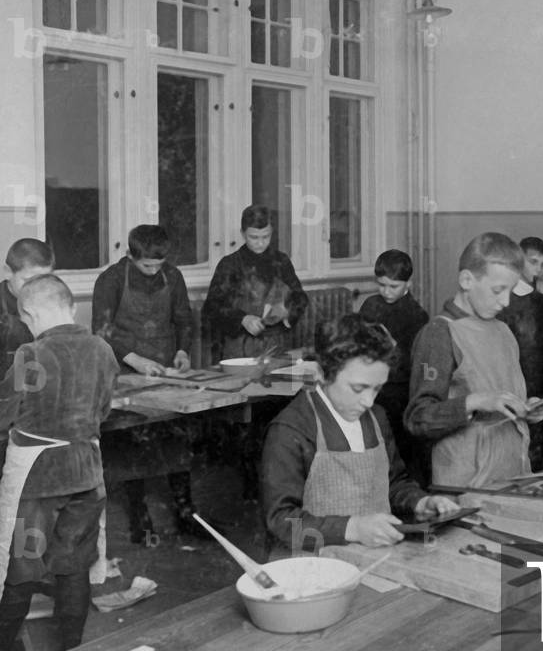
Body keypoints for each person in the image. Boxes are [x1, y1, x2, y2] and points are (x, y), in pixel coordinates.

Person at [0, 275, 119, 651]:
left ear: (32, 313)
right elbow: (103, 410)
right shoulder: (103, 349)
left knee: (20, 567)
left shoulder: (30, 353)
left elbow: (3, 415)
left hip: (38, 478)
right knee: (73, 564)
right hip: (86, 472)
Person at [263, 314, 458, 555]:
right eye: (358, 388)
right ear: (323, 374)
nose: (368, 401)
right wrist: (353, 528)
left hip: (373, 559)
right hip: (312, 567)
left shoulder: (377, 418)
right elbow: (281, 521)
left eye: (377, 388)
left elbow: (394, 482)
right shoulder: (291, 429)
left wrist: (420, 501)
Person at [405, 233, 543, 488]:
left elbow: (501, 393)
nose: (505, 302)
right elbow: (418, 418)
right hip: (466, 481)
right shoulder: (439, 334)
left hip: (512, 470)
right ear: (466, 280)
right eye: (497, 291)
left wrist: (525, 408)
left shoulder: (504, 331)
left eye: (511, 291)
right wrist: (476, 401)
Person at [92, 225, 203, 542]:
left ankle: (186, 514)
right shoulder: (111, 279)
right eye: (146, 266)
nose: (154, 271)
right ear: (129, 256)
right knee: (133, 445)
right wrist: (135, 360)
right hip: (126, 373)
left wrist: (182, 350)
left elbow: (183, 319)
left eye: (159, 265)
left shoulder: (173, 275)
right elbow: (100, 332)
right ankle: (139, 519)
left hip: (165, 369)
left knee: (176, 441)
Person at [358, 250, 430, 487]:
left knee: (399, 449)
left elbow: (411, 366)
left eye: (394, 286)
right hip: (369, 385)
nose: (386, 292)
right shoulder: (370, 306)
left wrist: (393, 348)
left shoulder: (416, 315)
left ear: (409, 283)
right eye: (382, 285)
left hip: (398, 392)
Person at [202, 204, 309, 360]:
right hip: (239, 346)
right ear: (243, 234)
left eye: (266, 237)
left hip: (276, 344)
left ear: (272, 232)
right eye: (254, 237)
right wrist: (242, 319)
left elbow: (300, 297)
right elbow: (212, 307)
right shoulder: (229, 264)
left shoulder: (281, 261)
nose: (260, 243)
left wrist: (287, 312)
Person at [498, 238, 543, 470]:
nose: (537, 269)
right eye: (532, 262)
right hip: (512, 384)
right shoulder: (502, 301)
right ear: (518, 258)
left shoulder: (542, 301)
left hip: (540, 383)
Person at [0, 239, 54, 378]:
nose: (36, 288)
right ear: (7, 272)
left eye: (44, 280)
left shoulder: (53, 302)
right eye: (29, 280)